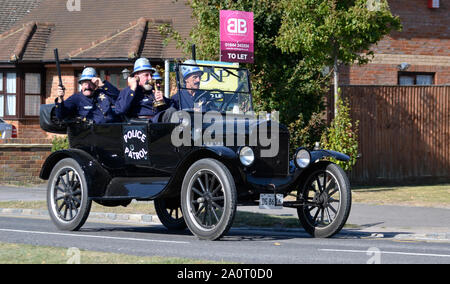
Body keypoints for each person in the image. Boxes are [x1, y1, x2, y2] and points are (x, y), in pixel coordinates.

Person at [114, 58, 173, 122]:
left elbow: (169, 107)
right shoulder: (127, 91)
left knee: (173, 111)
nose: (150, 78)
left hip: (156, 123)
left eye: (151, 75)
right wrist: (132, 90)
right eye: (146, 75)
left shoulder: (153, 91)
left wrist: (162, 101)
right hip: (139, 126)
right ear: (137, 77)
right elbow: (120, 110)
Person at [55, 67, 120, 123]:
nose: (88, 86)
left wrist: (103, 85)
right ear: (81, 84)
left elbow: (120, 99)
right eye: (85, 83)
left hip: (110, 131)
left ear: (96, 84)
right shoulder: (76, 98)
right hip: (87, 134)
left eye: (91, 83)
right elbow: (61, 116)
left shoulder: (104, 93)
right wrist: (60, 99)